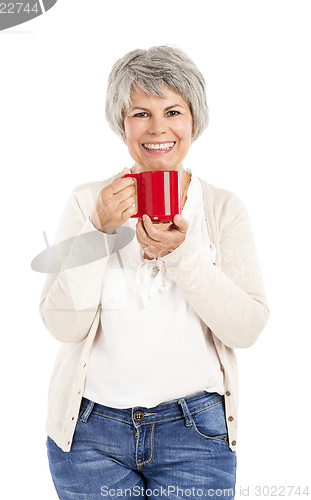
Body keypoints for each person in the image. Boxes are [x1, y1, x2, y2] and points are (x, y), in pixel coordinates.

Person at [40, 45, 270, 500]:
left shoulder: (222, 209)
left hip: (196, 436)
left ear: (194, 121)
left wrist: (182, 255)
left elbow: (247, 327)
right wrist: (98, 231)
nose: (158, 128)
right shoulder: (89, 203)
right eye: (140, 113)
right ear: (121, 123)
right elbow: (62, 324)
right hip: (89, 436)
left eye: (173, 111)